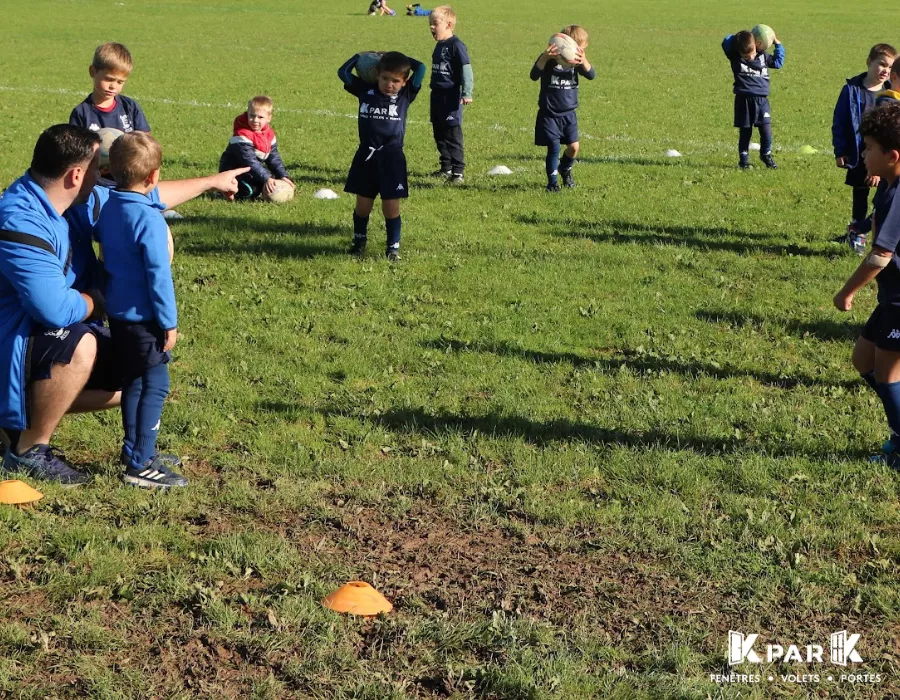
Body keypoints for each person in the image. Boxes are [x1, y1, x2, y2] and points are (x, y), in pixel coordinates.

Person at [0, 124, 248, 485]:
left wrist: (213, 180)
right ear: (76, 175)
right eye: (100, 170)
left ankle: (133, 450)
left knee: (137, 370)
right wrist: (104, 298)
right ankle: (27, 448)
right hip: (14, 344)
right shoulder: (20, 221)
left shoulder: (75, 200)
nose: (107, 177)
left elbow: (141, 195)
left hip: (49, 334)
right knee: (80, 346)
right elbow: (54, 310)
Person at [96, 133, 187, 489]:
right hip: (145, 319)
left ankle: (134, 449)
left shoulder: (110, 207)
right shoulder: (148, 219)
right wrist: (169, 322)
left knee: (135, 381)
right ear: (154, 177)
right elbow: (158, 276)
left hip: (118, 314)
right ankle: (142, 464)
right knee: (156, 385)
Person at [833, 102, 900, 469]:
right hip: (891, 298)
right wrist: (865, 224)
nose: (863, 153)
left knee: (888, 373)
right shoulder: (890, 188)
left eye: (869, 148)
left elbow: (880, 257)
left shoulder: (898, 196)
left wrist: (847, 292)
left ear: (891, 156)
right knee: (863, 360)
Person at [337, 51, 425, 261]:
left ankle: (392, 248)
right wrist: (358, 56)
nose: (389, 84)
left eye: (396, 80)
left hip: (392, 159)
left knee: (391, 208)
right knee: (362, 207)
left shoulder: (406, 96)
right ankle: (359, 242)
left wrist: (398, 57)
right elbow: (343, 72)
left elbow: (420, 67)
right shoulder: (365, 90)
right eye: (385, 78)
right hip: (366, 157)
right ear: (376, 75)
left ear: (404, 82)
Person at [833, 44, 896, 254]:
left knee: (882, 197)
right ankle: (858, 232)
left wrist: (877, 169)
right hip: (857, 152)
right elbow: (840, 121)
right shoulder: (851, 89)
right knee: (860, 193)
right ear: (869, 62)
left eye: (889, 67)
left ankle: (865, 231)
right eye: (881, 64)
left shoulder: (889, 94)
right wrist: (840, 150)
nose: (885, 70)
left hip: (881, 156)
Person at [530, 26, 595, 192]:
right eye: (579, 48)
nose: (581, 51)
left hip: (569, 114)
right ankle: (552, 184)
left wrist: (584, 61)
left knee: (573, 147)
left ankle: (565, 169)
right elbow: (533, 75)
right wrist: (544, 58)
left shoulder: (577, 63)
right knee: (554, 147)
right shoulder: (550, 60)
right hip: (549, 114)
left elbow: (591, 75)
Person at [722, 29, 784, 169]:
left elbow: (778, 63)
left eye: (752, 54)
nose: (749, 58)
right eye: (746, 56)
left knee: (766, 130)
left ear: (758, 45)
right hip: (743, 100)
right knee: (745, 132)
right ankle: (743, 161)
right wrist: (744, 37)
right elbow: (726, 41)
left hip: (762, 101)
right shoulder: (735, 57)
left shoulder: (763, 56)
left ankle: (766, 154)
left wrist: (777, 44)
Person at [428, 5, 473, 184]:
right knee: (439, 132)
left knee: (452, 133)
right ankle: (445, 167)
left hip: (451, 96)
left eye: (435, 23)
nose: (431, 27)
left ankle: (458, 172)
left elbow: (466, 70)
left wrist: (467, 92)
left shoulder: (456, 45)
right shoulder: (439, 45)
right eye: (430, 24)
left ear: (448, 24)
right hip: (436, 95)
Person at [219, 96, 295, 201]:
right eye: (252, 116)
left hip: (250, 171)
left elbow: (273, 157)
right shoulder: (241, 135)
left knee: (273, 180)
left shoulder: (269, 134)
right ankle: (222, 190)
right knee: (251, 191)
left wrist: (282, 175)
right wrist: (267, 178)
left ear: (269, 118)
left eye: (260, 117)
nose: (255, 120)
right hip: (234, 172)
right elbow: (249, 161)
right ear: (247, 114)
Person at [69, 42, 149, 135]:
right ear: (93, 72)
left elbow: (144, 142)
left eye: (120, 82)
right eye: (108, 79)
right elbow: (75, 147)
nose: (113, 86)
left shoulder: (130, 107)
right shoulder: (81, 113)